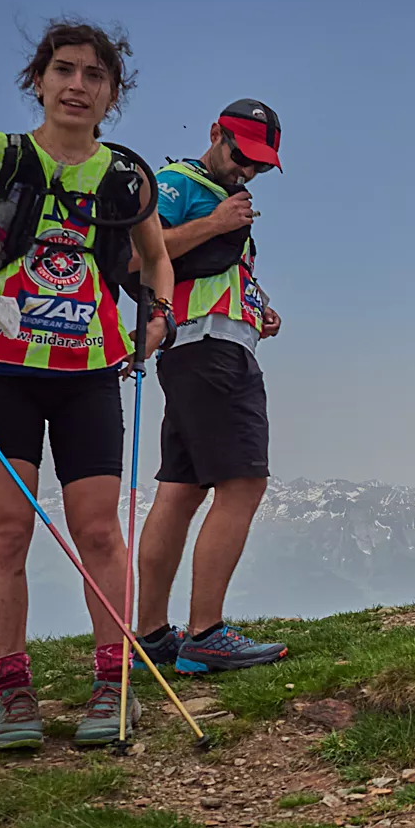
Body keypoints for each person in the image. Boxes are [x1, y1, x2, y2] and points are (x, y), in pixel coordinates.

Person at [0, 19, 174, 751]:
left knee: (97, 530)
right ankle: (11, 690)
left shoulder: (126, 175)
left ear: (113, 93)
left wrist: (158, 317)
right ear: (39, 80)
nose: (78, 85)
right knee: (9, 529)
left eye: (94, 75)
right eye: (64, 70)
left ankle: (113, 686)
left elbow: (153, 260)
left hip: (88, 372)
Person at [130, 100, 290, 674]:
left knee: (181, 489)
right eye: (242, 156)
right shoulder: (177, 183)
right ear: (215, 134)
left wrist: (258, 309)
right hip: (211, 354)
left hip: (202, 346)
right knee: (243, 484)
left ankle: (150, 634)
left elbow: (213, 273)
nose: (248, 171)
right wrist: (217, 224)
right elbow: (135, 255)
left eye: (261, 166)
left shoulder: (217, 193)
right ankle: (205, 633)